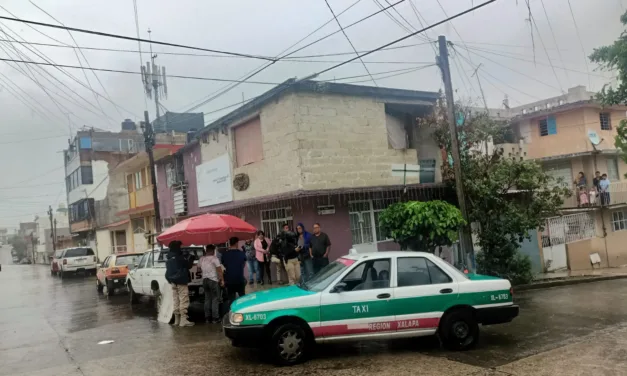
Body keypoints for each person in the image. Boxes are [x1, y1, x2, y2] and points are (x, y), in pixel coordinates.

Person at [164, 240, 195, 327]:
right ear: (177, 247)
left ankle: (177, 320)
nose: (182, 248)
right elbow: (188, 265)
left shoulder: (168, 256)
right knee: (184, 299)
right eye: (180, 246)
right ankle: (183, 320)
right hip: (181, 280)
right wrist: (191, 258)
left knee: (176, 300)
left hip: (172, 281)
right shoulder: (179, 256)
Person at [199, 245, 224, 324]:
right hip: (213, 280)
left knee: (207, 299)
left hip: (205, 280)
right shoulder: (214, 258)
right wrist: (222, 280)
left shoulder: (201, 259)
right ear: (213, 250)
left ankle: (207, 318)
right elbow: (219, 270)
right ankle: (215, 318)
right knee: (215, 299)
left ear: (206, 250)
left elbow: (198, 268)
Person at [221, 237, 247, 308]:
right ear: (236, 243)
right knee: (242, 299)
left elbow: (223, 265)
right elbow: (243, 264)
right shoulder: (241, 253)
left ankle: (231, 314)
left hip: (229, 280)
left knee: (231, 299)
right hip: (239, 279)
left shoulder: (225, 254)